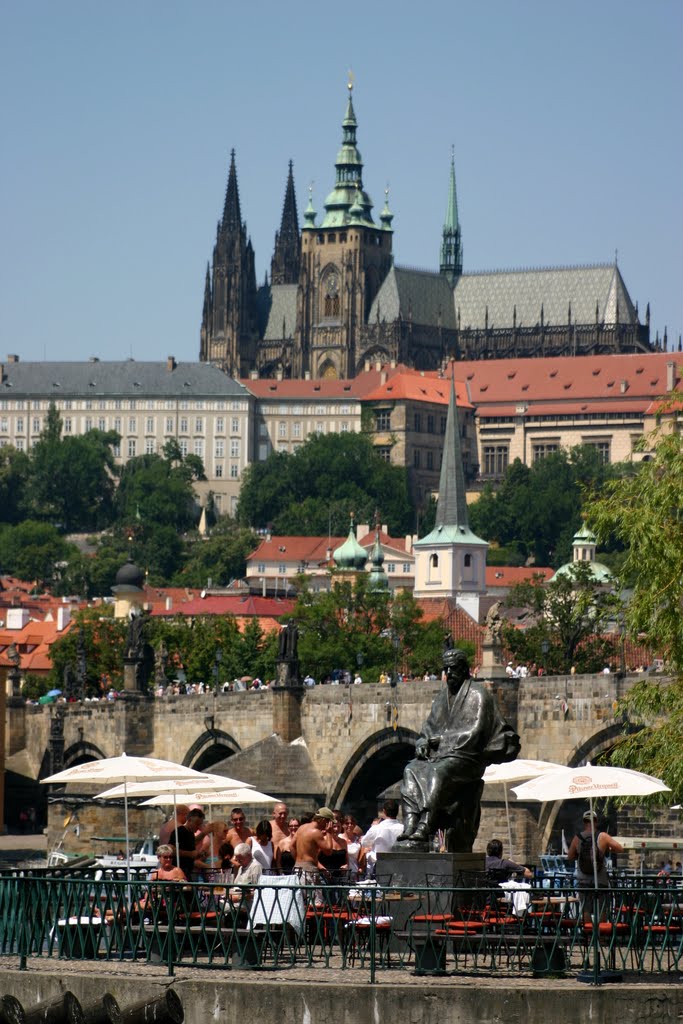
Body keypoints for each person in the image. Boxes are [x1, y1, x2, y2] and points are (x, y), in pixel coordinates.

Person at [398, 648, 520, 851]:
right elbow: (427, 729)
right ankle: (411, 822)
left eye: (453, 669)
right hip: (440, 756)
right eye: (446, 669)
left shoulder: (479, 695)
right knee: (410, 770)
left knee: (439, 773)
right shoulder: (441, 698)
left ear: (464, 669)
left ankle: (426, 823)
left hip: (466, 757)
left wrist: (442, 740)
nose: (449, 674)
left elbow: (475, 730)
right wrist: (422, 743)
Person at [567, 810, 624, 921]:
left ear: (584, 822)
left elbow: (569, 856)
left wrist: (580, 855)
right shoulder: (603, 836)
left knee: (586, 910)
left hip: (583, 880)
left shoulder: (577, 838)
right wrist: (606, 849)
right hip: (600, 880)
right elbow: (620, 848)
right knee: (602, 909)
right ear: (596, 821)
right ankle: (601, 937)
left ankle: (588, 936)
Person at [292, 807, 335, 883]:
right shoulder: (316, 832)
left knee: (300, 894)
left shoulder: (301, 827)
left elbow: (291, 846)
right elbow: (329, 851)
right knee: (312, 894)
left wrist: (298, 861)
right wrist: (329, 833)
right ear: (323, 820)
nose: (330, 825)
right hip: (309, 870)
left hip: (297, 868)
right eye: (329, 822)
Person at [229, 843, 263, 914]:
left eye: (241, 860)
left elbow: (257, 891)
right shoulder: (241, 867)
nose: (238, 862)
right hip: (236, 900)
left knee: (222, 907)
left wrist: (238, 898)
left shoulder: (255, 867)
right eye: (237, 860)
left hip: (246, 902)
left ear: (249, 855)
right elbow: (235, 885)